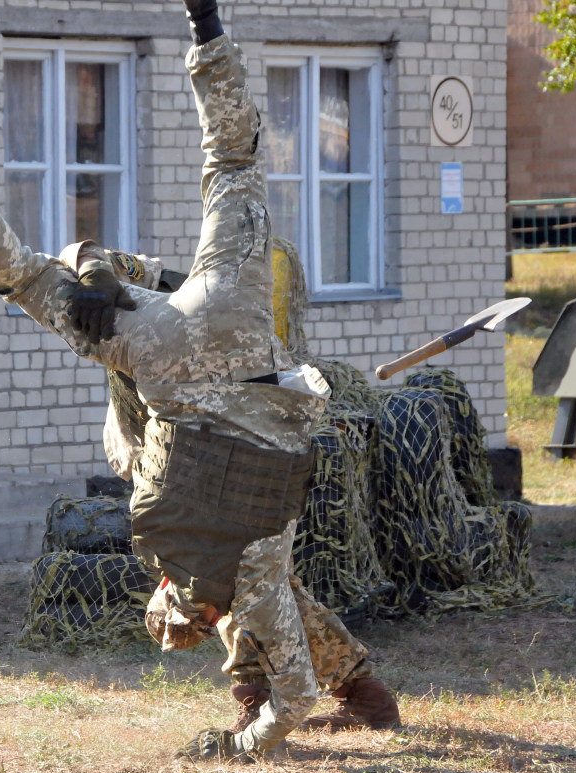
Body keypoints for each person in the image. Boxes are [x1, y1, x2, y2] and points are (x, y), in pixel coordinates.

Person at [0, 0, 389, 761]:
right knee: (49, 274)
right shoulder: (190, 560)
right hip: (199, 345)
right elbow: (298, 685)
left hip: (201, 345)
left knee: (223, 171)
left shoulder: (242, 576)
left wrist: (249, 745)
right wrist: (94, 267)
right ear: (178, 597)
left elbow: (297, 691)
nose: (199, 615)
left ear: (187, 605)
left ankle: (200, 20)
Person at [86, 249, 400, 735]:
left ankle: (314, 694)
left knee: (239, 579)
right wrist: (91, 274)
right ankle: (353, 694)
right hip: (168, 458)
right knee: (247, 583)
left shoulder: (207, 311)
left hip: (235, 459)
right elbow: (83, 257)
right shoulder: (127, 294)